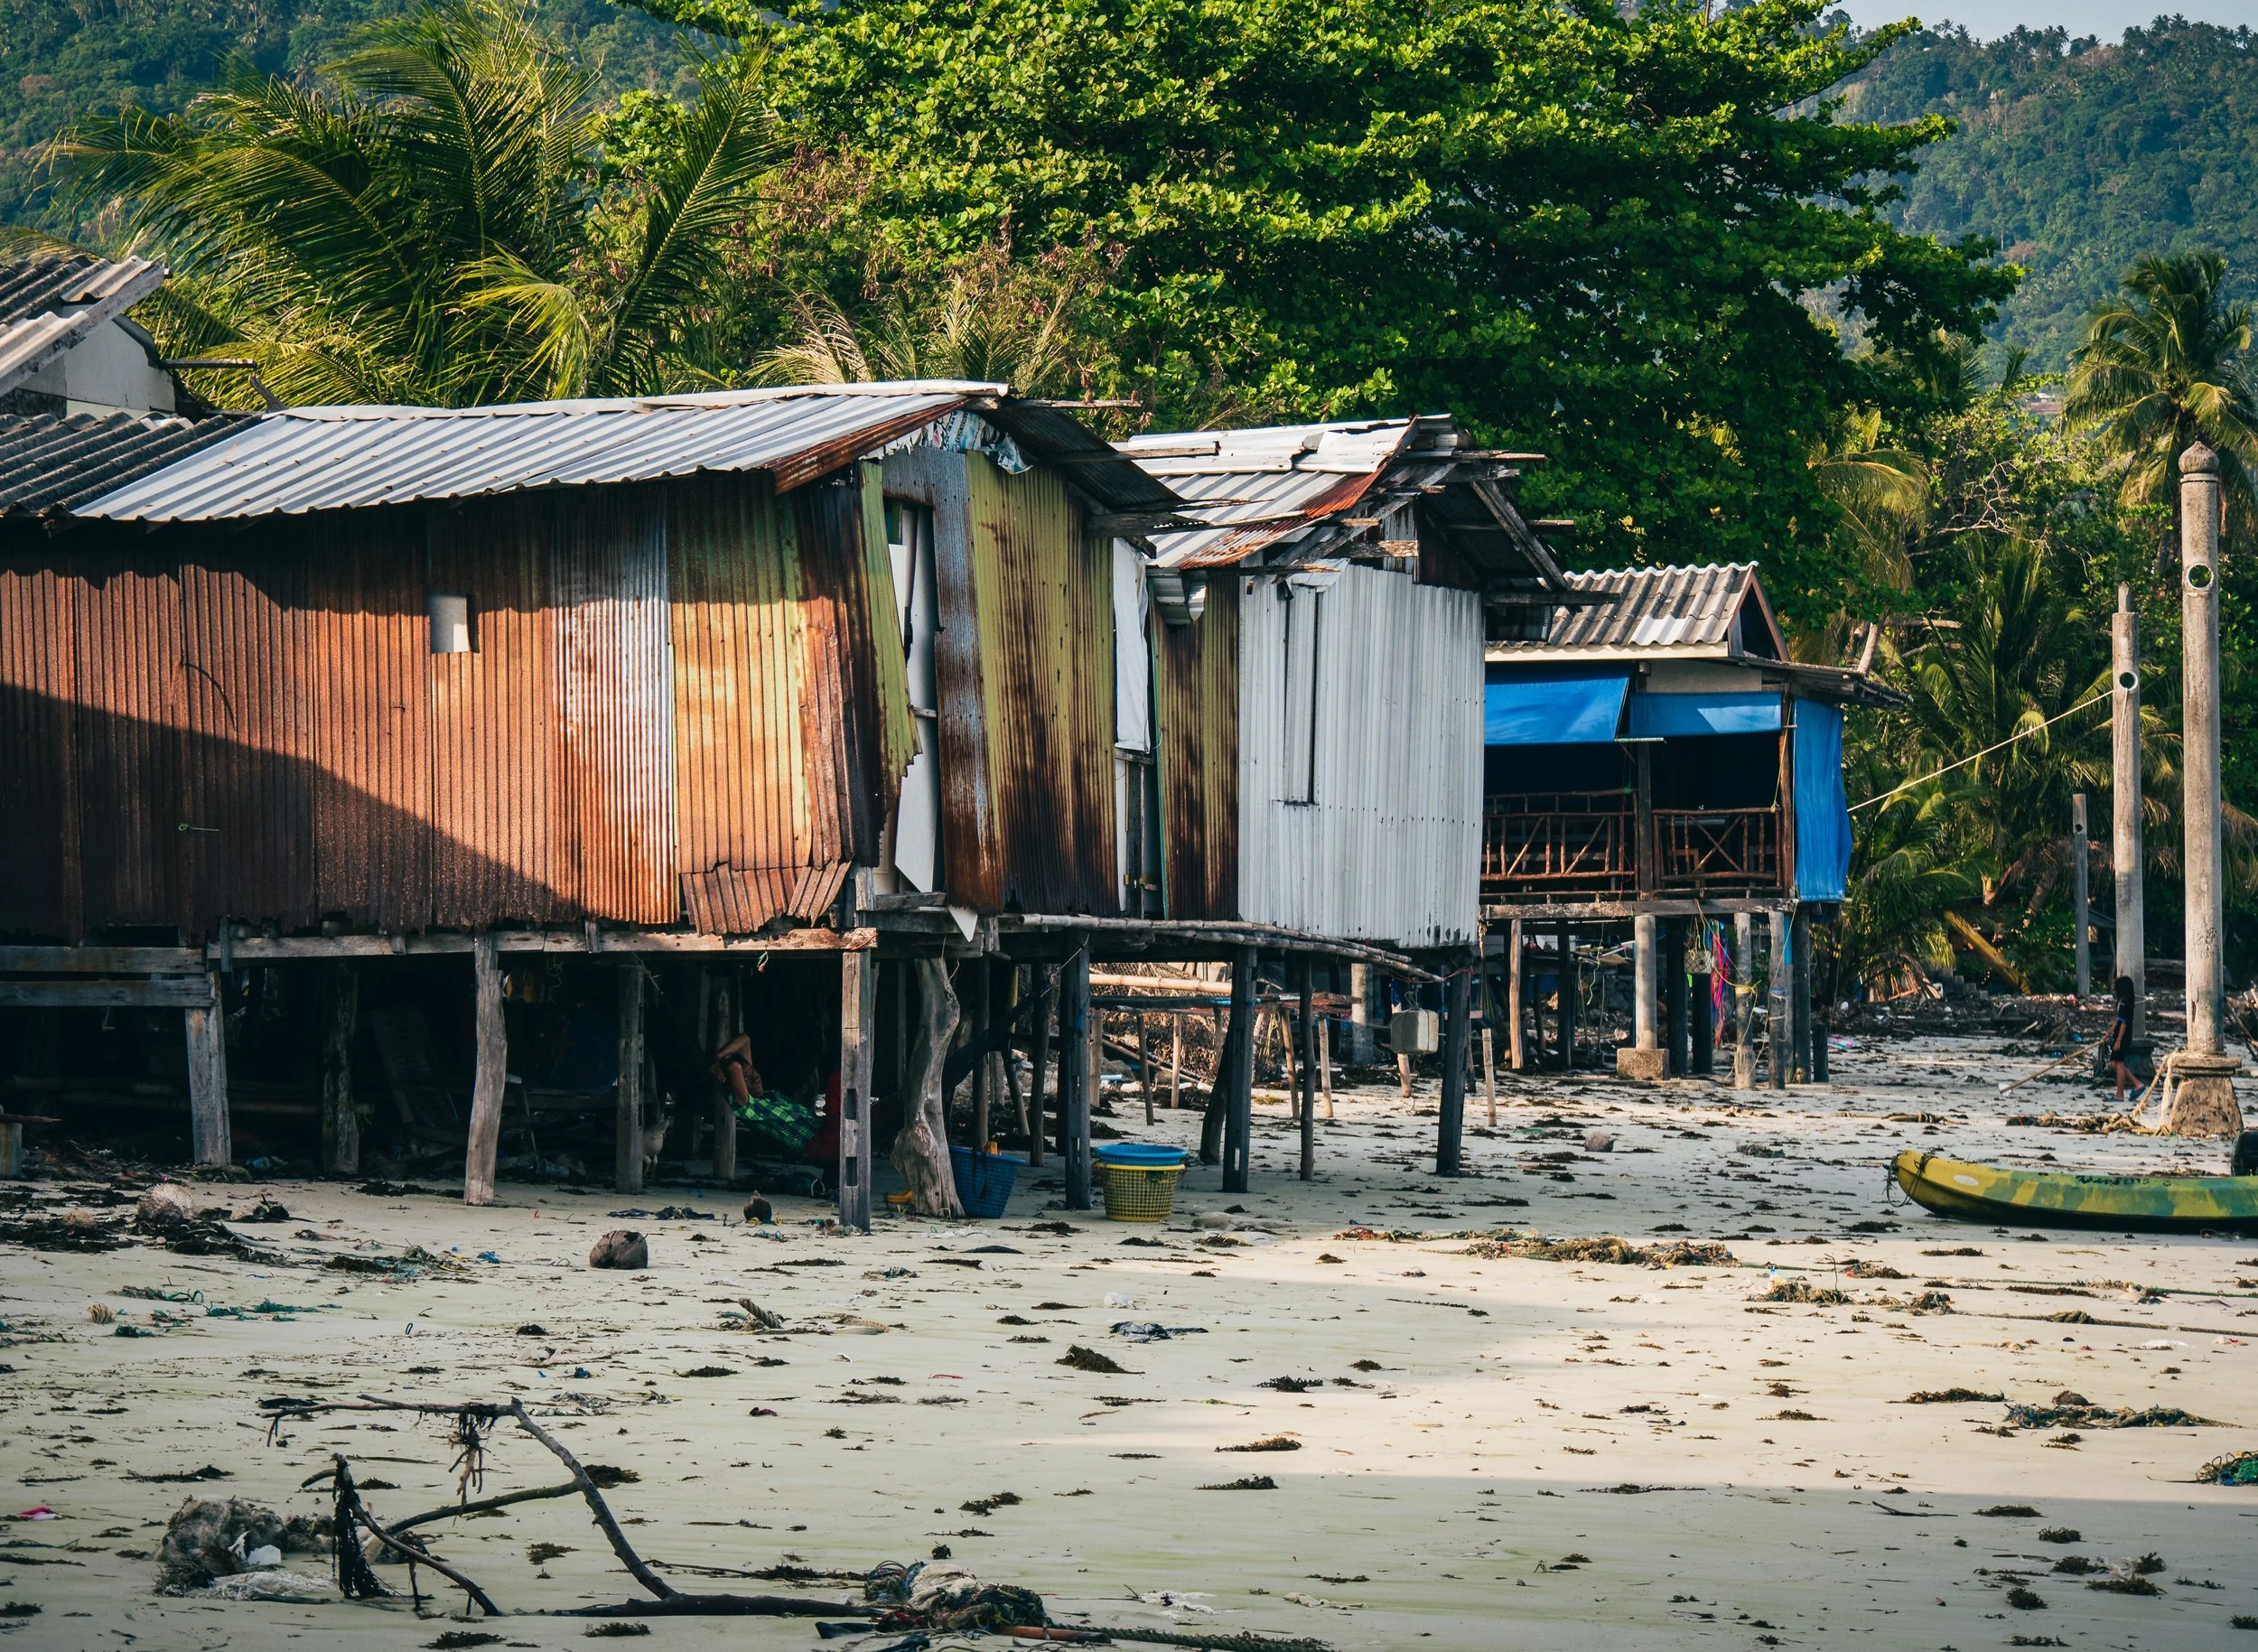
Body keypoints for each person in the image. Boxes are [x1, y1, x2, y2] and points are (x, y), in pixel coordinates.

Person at [2108, 975, 2138, 1105]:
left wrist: (2118, 1041)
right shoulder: (2122, 1002)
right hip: (2119, 1036)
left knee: (2119, 1064)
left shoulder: (2126, 1003)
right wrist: (2109, 1033)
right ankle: (2137, 1084)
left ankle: (2120, 1094)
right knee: (2114, 1064)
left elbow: (2124, 1024)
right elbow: (2118, 1022)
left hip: (2123, 1037)